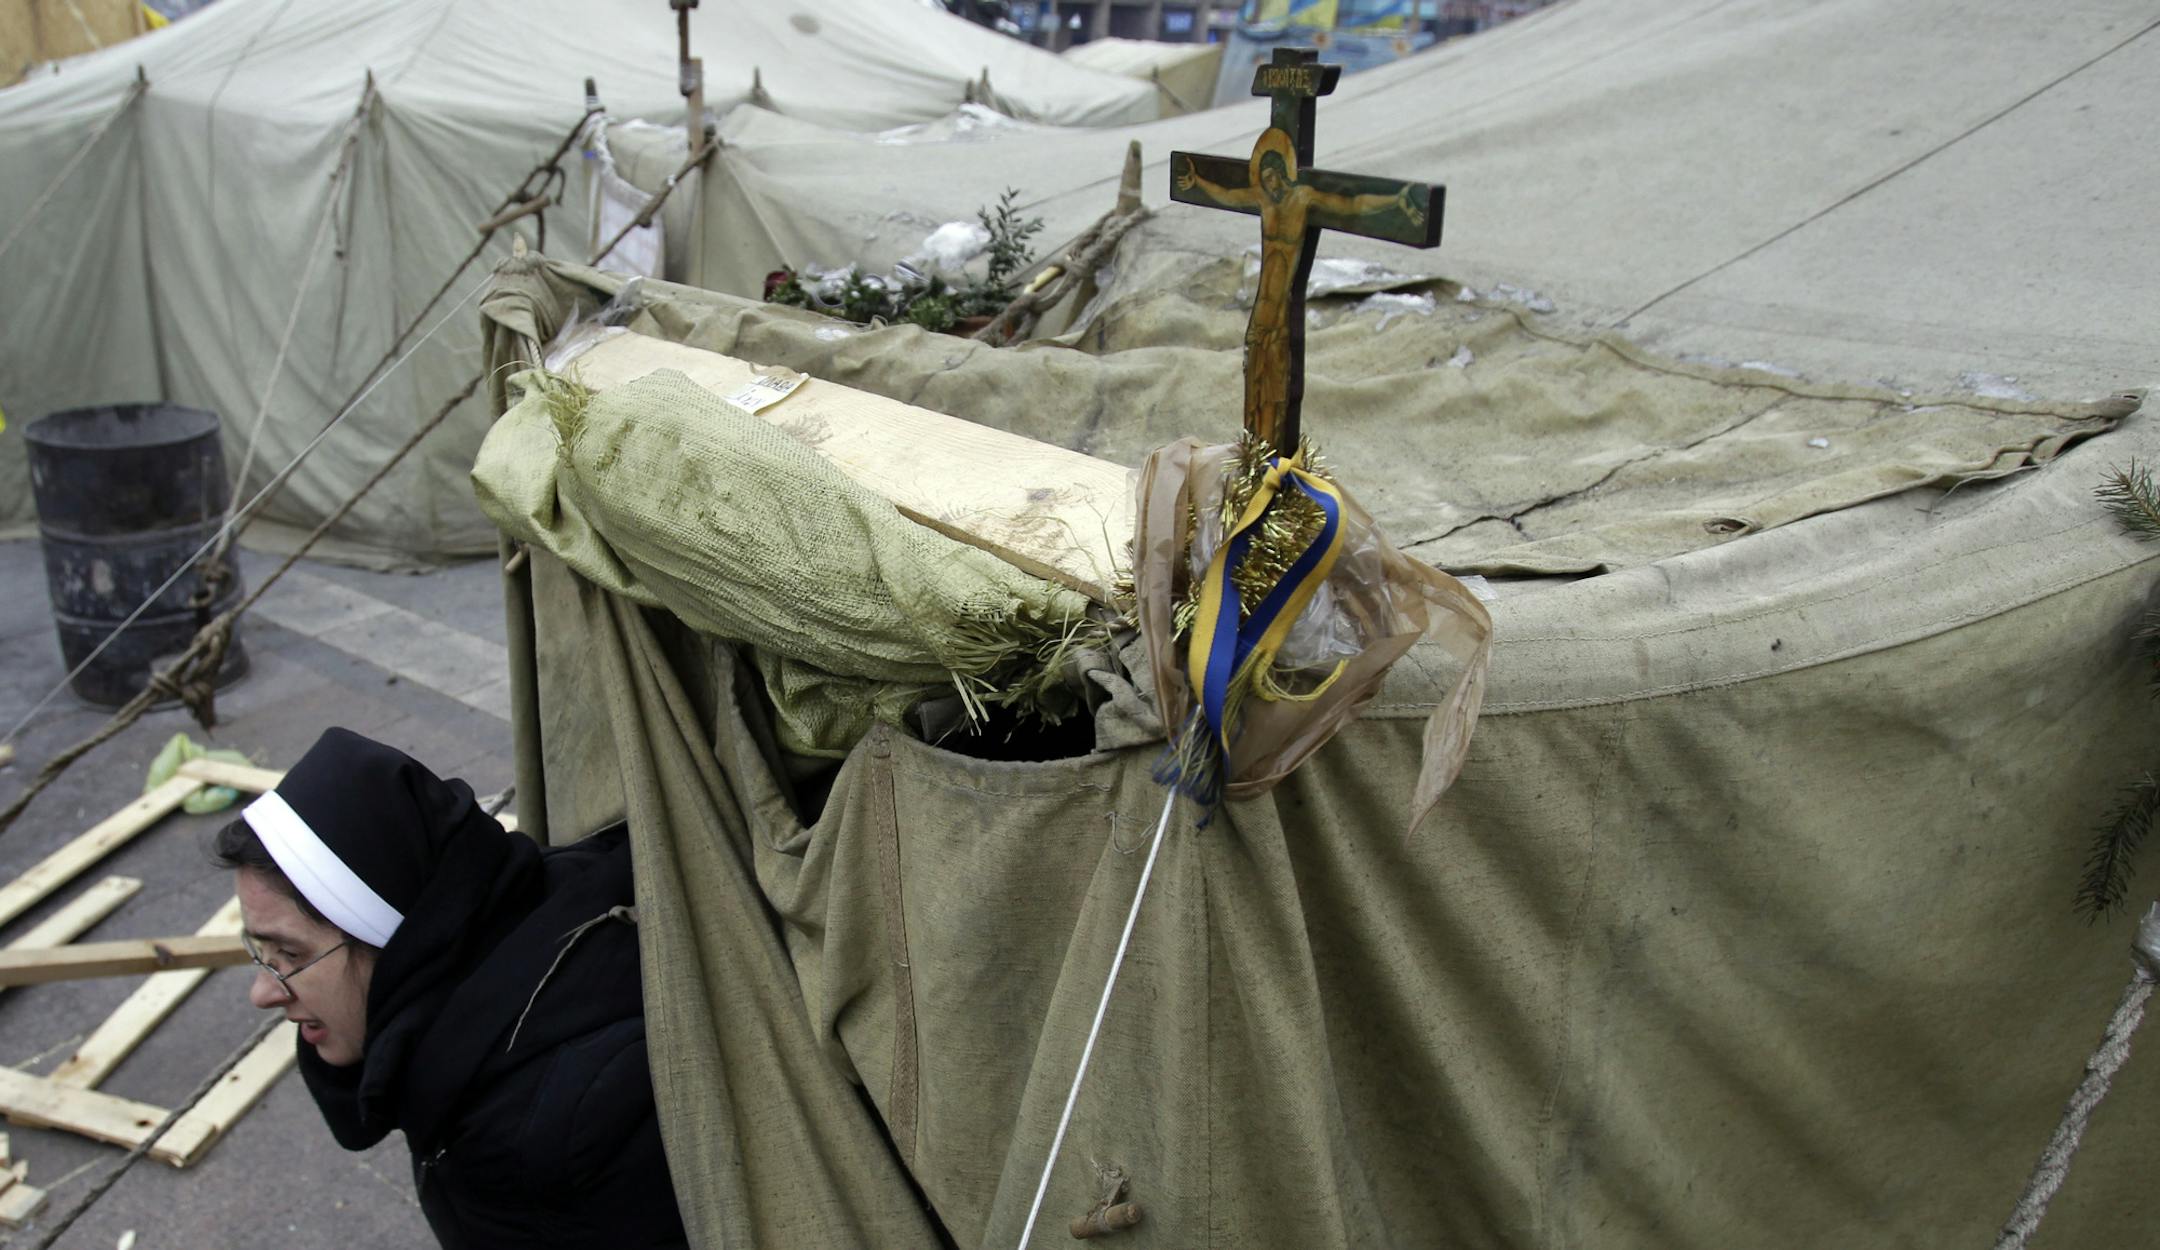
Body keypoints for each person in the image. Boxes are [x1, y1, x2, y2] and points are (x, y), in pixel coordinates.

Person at [215, 727, 688, 1250]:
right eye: (261, 952)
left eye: (291, 955)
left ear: (397, 940)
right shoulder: (515, 904)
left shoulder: (562, 1122)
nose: (263, 992)